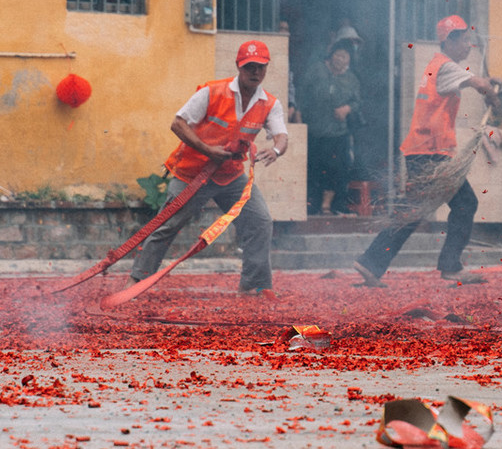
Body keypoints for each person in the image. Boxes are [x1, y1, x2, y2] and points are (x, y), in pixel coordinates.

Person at [131, 39, 289, 295]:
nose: (255, 72)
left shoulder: (270, 103)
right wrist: (207, 150)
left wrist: (276, 150)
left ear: (267, 68)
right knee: (167, 226)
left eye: (260, 67)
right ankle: (137, 282)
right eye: (249, 67)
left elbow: (281, 136)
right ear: (239, 66)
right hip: (192, 173)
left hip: (231, 177)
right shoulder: (212, 92)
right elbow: (178, 123)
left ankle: (254, 286)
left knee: (260, 221)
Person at [354, 15, 499, 287]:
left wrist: (487, 81)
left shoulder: (438, 67)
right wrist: (491, 89)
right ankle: (450, 266)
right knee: (465, 203)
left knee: (413, 211)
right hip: (431, 153)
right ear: (450, 41)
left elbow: (472, 80)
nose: (468, 45)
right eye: (464, 40)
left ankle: (370, 263)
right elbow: (477, 84)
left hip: (424, 151)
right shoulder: (445, 66)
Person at [301, 39, 361, 215]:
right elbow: (303, 93)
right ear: (331, 55)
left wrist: (347, 108)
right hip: (315, 130)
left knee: (336, 169)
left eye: (345, 56)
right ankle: (313, 205)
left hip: (338, 132)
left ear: (349, 59)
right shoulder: (317, 70)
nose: (340, 59)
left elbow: (357, 101)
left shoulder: (351, 79)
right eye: (338, 55)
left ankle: (330, 206)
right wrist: (298, 114)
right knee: (314, 168)